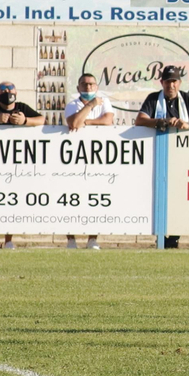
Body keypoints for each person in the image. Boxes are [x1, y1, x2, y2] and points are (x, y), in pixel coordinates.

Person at [0, 80, 42, 251]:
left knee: (12, 201)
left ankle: (8, 239)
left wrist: (25, 120)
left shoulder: (22, 107)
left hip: (16, 163)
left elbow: (41, 119)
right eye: (3, 89)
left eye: (10, 89)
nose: (7, 92)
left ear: (16, 92)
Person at [65, 72, 117, 250]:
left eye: (91, 85)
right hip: (74, 158)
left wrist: (86, 120)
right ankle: (71, 239)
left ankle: (92, 238)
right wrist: (91, 106)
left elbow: (108, 121)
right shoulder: (73, 104)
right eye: (84, 85)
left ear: (97, 87)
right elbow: (74, 123)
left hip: (97, 157)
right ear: (78, 87)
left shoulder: (105, 102)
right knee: (71, 198)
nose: (88, 88)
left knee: (96, 198)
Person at [135, 67, 189, 132]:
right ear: (162, 82)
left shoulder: (187, 98)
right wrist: (161, 122)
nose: (171, 85)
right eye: (167, 81)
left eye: (174, 81)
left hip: (182, 143)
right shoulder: (153, 98)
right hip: (158, 144)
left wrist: (188, 124)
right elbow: (139, 121)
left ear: (179, 82)